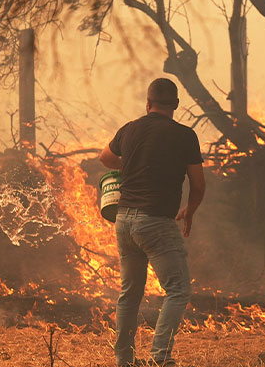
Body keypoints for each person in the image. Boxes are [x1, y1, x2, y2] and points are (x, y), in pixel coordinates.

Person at [100, 78, 206, 367]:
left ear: (148, 104)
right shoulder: (185, 136)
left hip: (124, 222)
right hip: (156, 222)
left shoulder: (130, 129)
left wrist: (130, 164)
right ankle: (160, 359)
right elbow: (198, 184)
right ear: (175, 106)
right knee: (178, 289)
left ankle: (124, 360)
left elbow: (105, 158)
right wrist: (190, 210)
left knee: (130, 294)